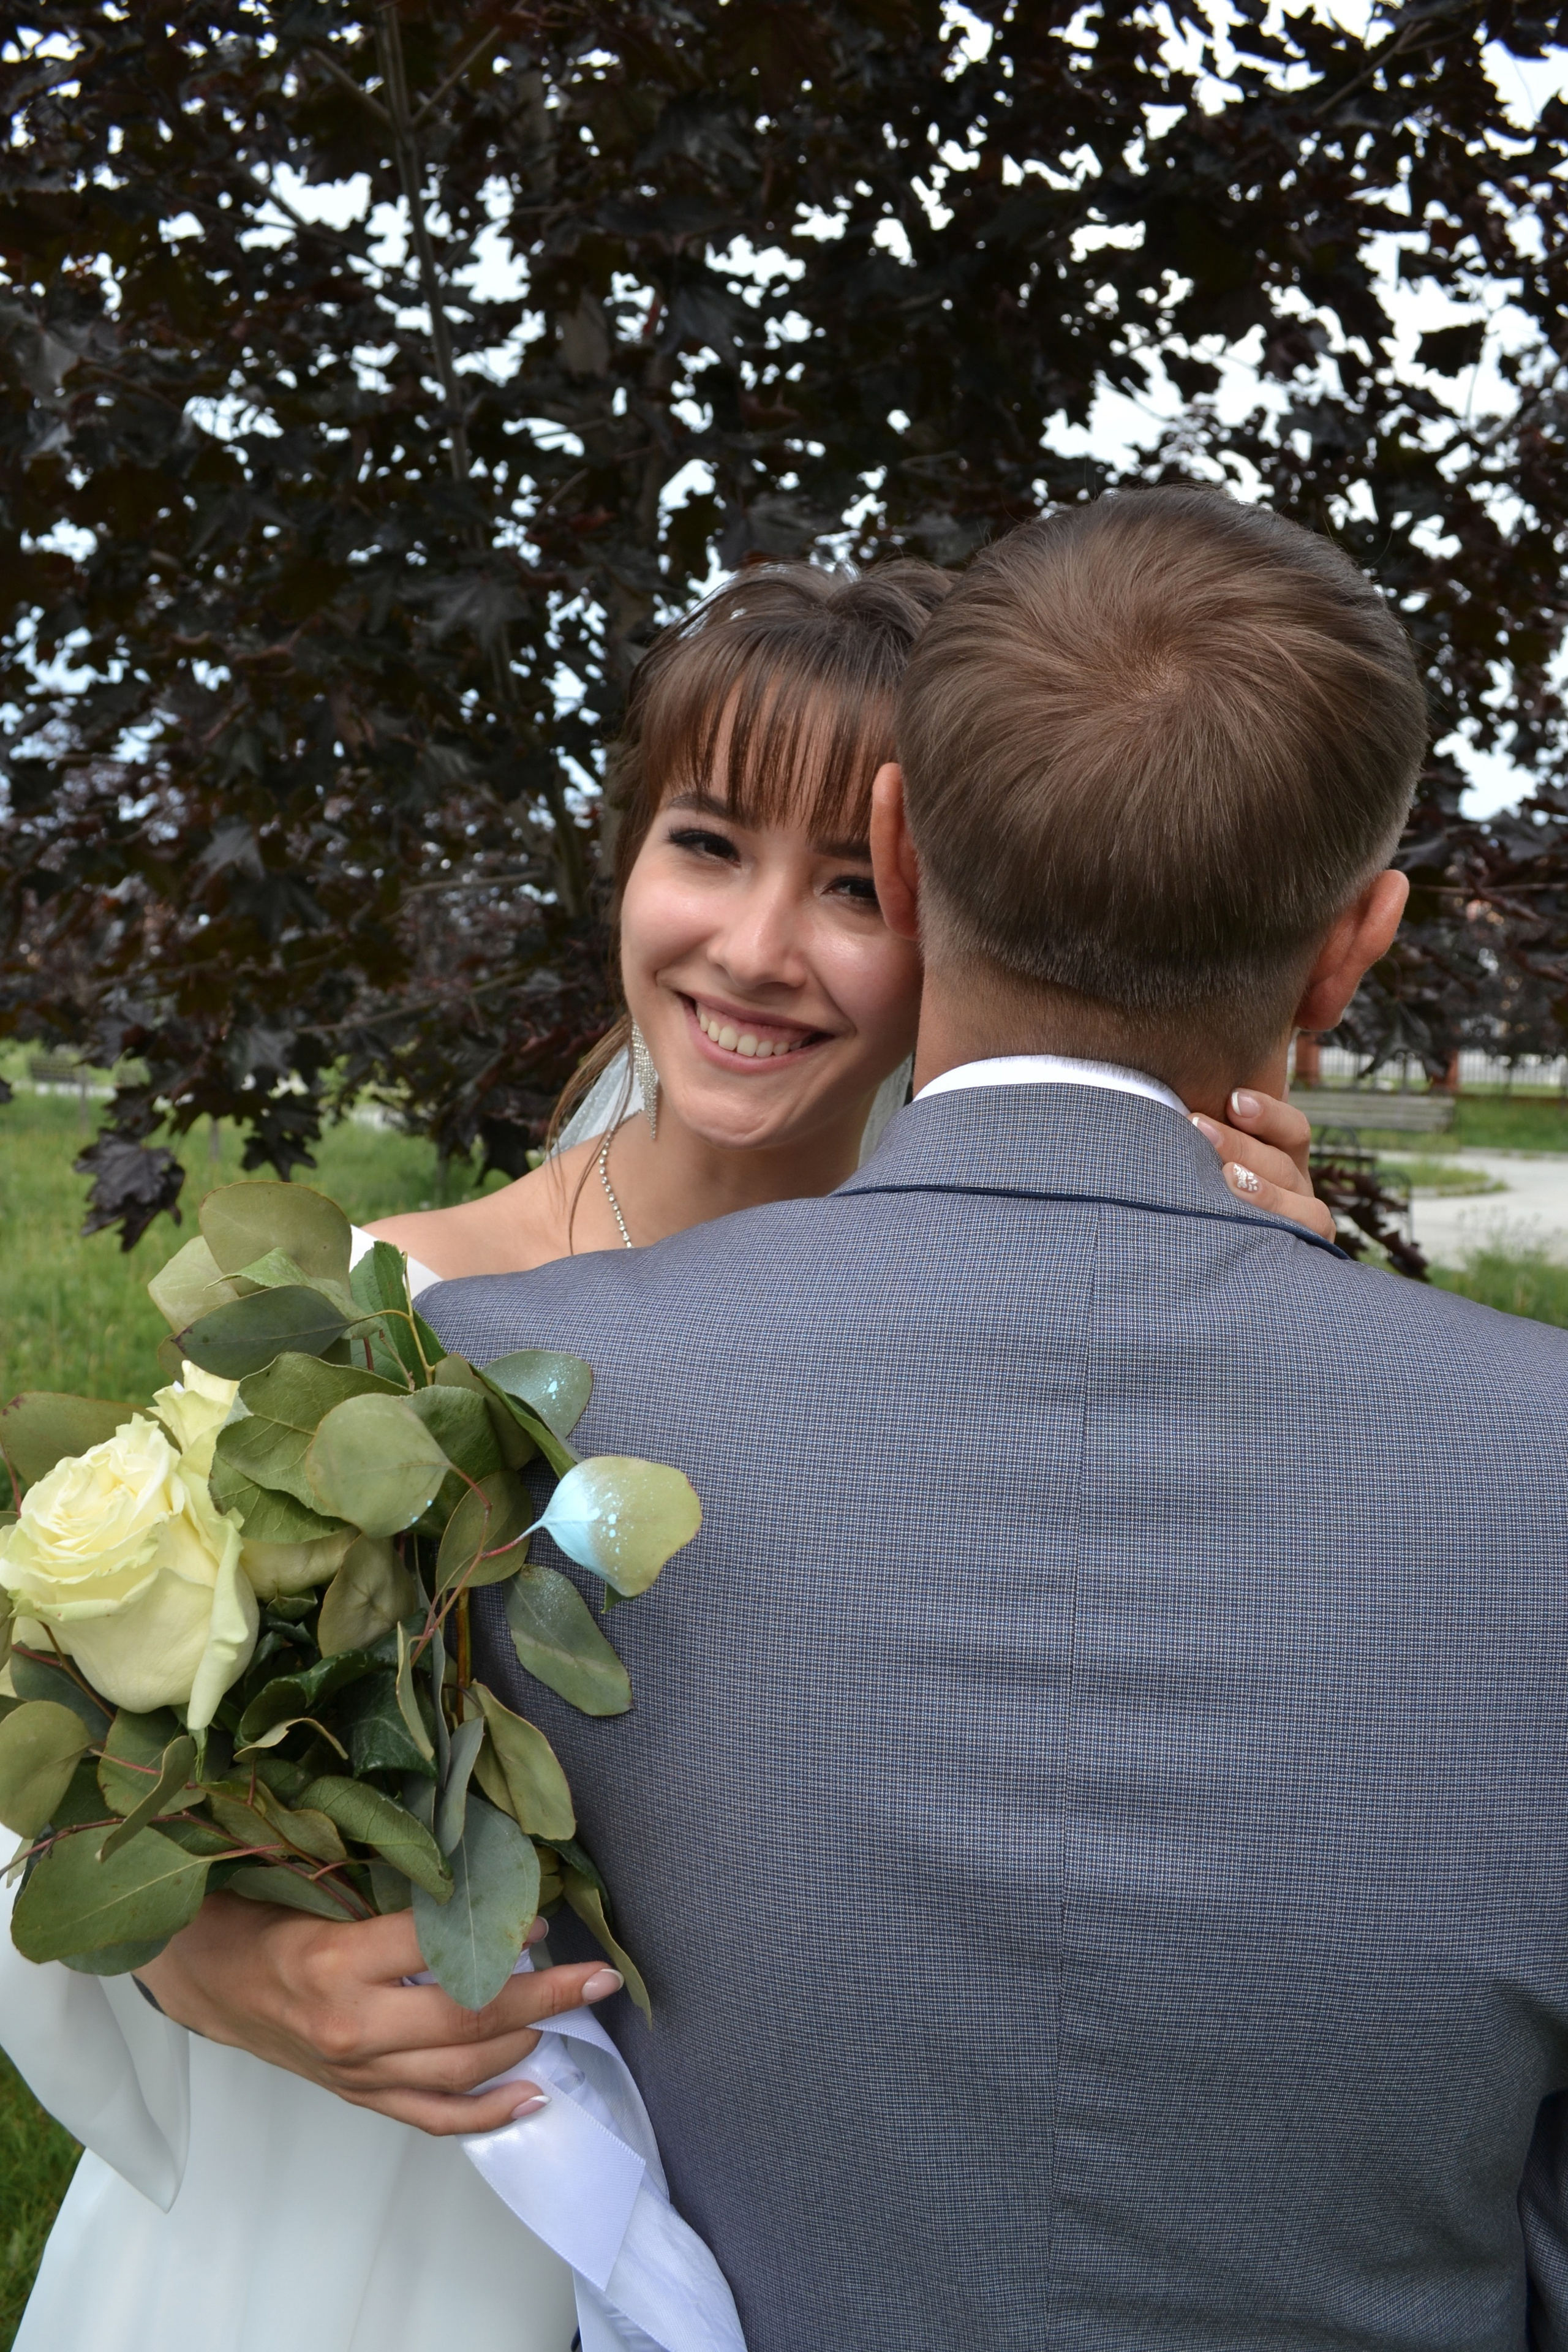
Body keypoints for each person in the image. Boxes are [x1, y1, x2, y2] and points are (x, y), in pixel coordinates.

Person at [1, 547, 1331, 2352]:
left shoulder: (996, 1359)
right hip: (372, 2229)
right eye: (707, 843)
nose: (757, 949)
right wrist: (217, 1965)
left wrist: (1261, 1324)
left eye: (856, 887)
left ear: (965, 917)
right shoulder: (367, 1323)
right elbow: (63, 1777)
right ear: (629, 858)